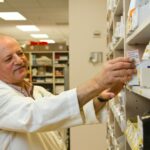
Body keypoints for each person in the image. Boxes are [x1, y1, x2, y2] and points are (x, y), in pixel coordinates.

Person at [0, 35, 136, 150]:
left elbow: (62, 113)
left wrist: (100, 98)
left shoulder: (36, 90)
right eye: (8, 59)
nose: (19, 60)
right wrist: (97, 83)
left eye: (20, 53)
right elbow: (35, 115)